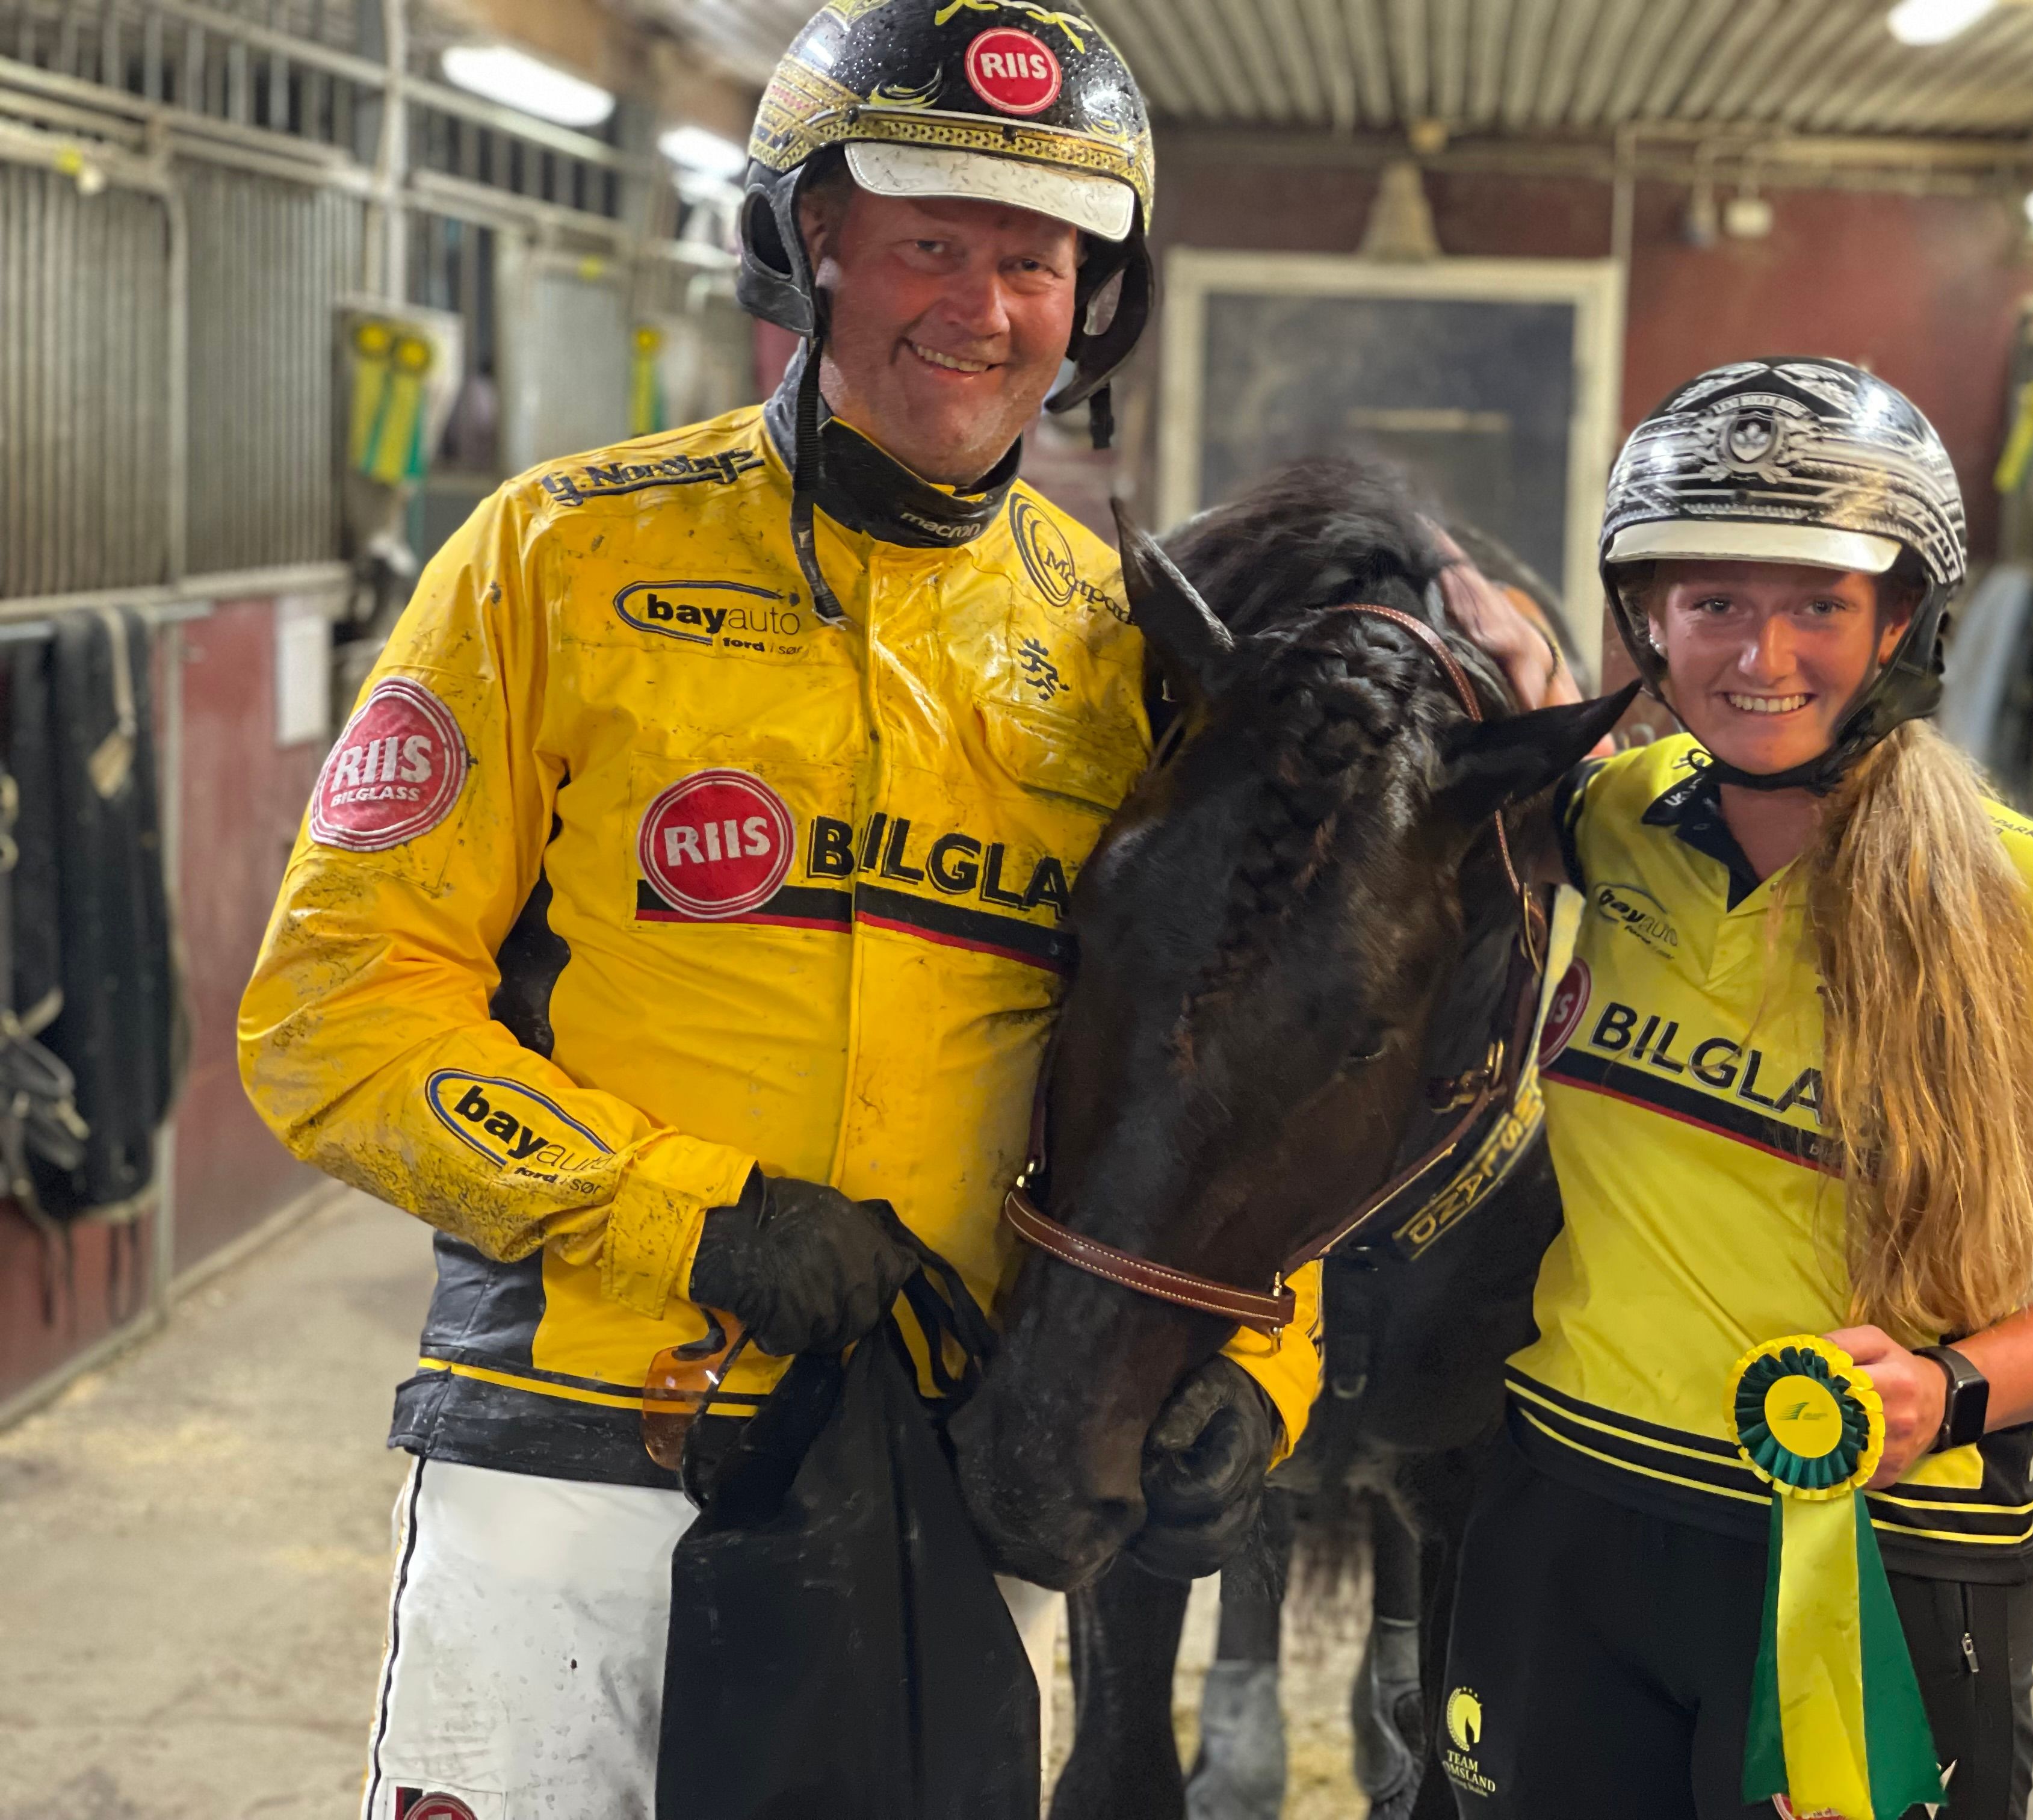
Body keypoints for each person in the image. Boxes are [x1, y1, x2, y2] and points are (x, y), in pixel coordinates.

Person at [235, 5, 1555, 1809]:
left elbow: (1246, 1067)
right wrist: (696, 1220)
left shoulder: (1132, 653)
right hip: (573, 1458)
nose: (982, 308)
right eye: (929, 242)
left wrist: (1258, 1360)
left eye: (1035, 262)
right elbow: (332, 1014)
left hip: (950, 1469)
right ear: (813, 243)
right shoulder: (557, 559)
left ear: (1094, 302)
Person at [1439, 359, 2033, 1819]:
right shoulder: (1611, 821)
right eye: (1714, 601)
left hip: (1870, 1545)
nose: (1763, 654)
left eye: (1818, 604)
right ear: (1648, 617)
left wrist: (1954, 1388)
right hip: (1567, 1511)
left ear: (1901, 621)